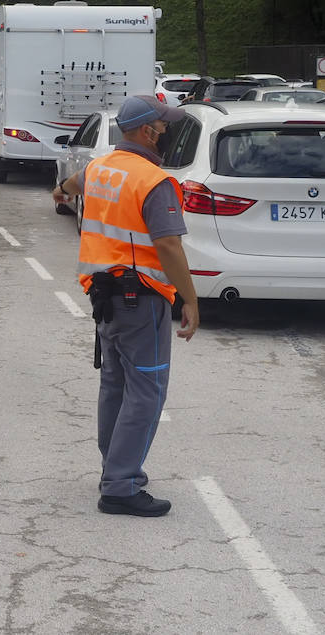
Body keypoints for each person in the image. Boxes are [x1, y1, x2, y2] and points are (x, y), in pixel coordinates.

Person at [51, 94, 200, 517]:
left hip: (105, 298)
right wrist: (190, 299)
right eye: (163, 126)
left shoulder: (101, 168)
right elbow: (168, 245)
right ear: (147, 131)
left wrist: (59, 192)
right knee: (146, 391)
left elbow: (70, 186)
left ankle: (114, 468)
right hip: (141, 298)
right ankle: (120, 485)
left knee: (115, 385)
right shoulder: (154, 181)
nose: (167, 132)